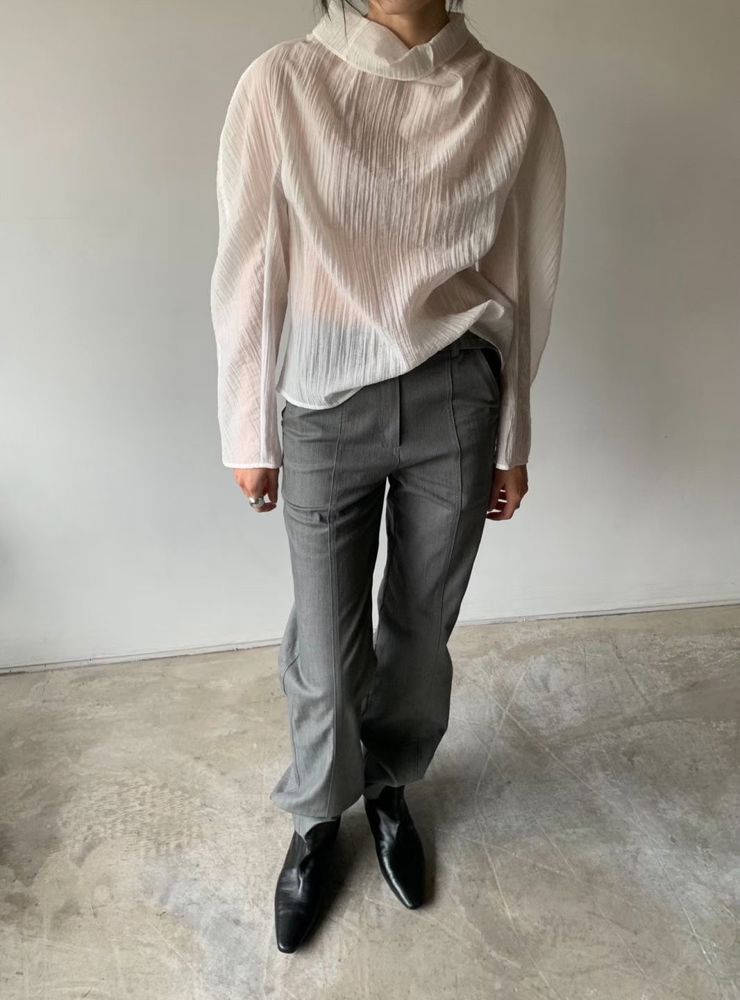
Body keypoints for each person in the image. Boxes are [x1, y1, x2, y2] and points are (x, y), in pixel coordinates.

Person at [210, 0, 566, 953]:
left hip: (457, 398)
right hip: (324, 401)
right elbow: (250, 260)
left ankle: (389, 785)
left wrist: (513, 438)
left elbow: (525, 279)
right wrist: (249, 425)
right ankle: (315, 815)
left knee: (419, 631)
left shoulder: (511, 102)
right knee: (326, 645)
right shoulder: (284, 83)